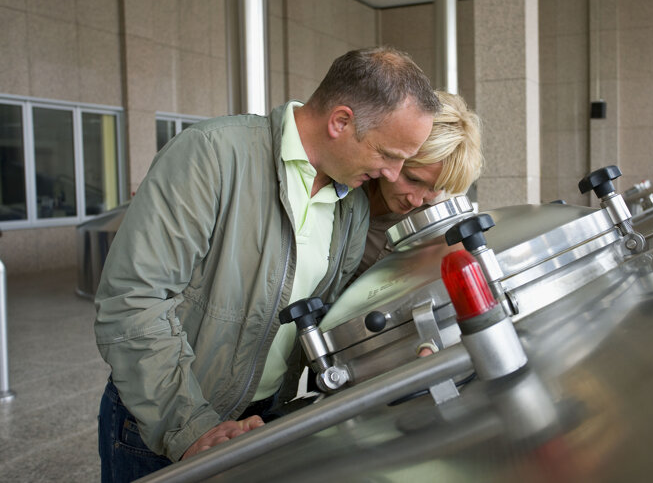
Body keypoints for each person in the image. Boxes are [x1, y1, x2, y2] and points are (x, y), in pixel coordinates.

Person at [94, 46, 439, 481]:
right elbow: (131, 301)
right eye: (388, 154)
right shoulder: (211, 157)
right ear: (341, 121)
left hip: (265, 418)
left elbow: (333, 318)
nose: (393, 174)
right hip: (163, 423)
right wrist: (189, 425)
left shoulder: (349, 201)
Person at [355, 91, 483, 279]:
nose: (415, 201)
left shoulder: (435, 227)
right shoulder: (347, 177)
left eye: (435, 188)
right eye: (413, 179)